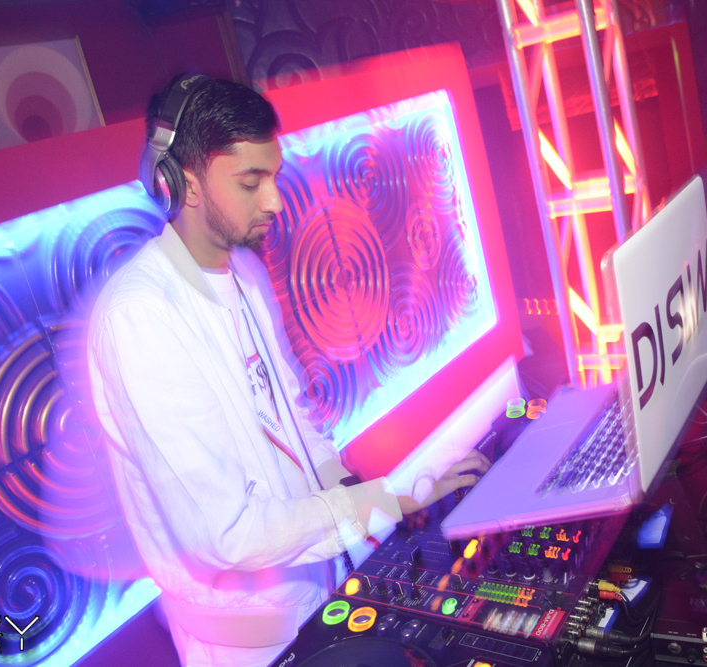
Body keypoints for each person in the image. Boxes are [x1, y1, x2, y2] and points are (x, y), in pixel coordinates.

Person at [86, 75, 490, 667]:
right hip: (251, 647)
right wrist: (389, 499)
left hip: (318, 596)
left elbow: (295, 420)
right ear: (183, 181)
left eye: (273, 177)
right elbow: (229, 534)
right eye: (251, 183)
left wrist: (364, 491)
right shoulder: (139, 317)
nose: (274, 201)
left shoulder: (245, 274)